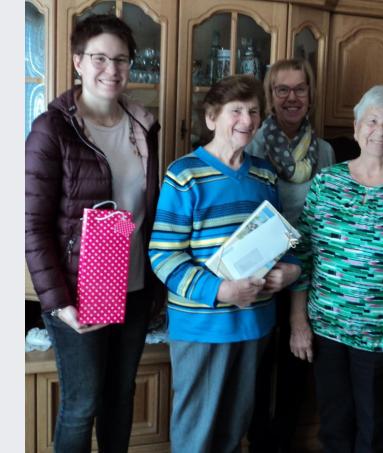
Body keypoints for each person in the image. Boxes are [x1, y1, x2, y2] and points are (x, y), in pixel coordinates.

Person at [25, 14, 163, 453]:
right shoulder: (53, 130)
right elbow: (33, 226)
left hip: (136, 288)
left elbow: (150, 211)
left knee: (120, 398)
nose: (112, 69)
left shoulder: (144, 127)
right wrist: (60, 302)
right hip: (77, 292)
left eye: (121, 60)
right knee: (82, 404)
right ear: (78, 62)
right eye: (100, 58)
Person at [148, 75, 302, 453]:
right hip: (202, 325)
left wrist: (291, 272)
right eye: (236, 111)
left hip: (255, 324)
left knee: (235, 432)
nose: (247, 121)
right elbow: (163, 255)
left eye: (253, 112)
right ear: (212, 118)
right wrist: (221, 290)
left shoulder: (264, 175)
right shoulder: (184, 175)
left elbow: (281, 244)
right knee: (197, 434)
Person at [289, 85, 383, 452]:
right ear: (357, 128)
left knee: (376, 434)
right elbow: (304, 254)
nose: (380, 131)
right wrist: (298, 323)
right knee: (334, 428)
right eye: (372, 121)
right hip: (326, 332)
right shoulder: (326, 183)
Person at [244, 58, 335, 453]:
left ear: (311, 95)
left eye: (300, 88)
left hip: (308, 273)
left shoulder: (327, 152)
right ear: (270, 96)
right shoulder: (252, 144)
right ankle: (258, 441)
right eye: (283, 89)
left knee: (299, 362)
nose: (292, 97)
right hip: (259, 274)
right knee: (258, 367)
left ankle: (283, 441)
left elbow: (330, 214)